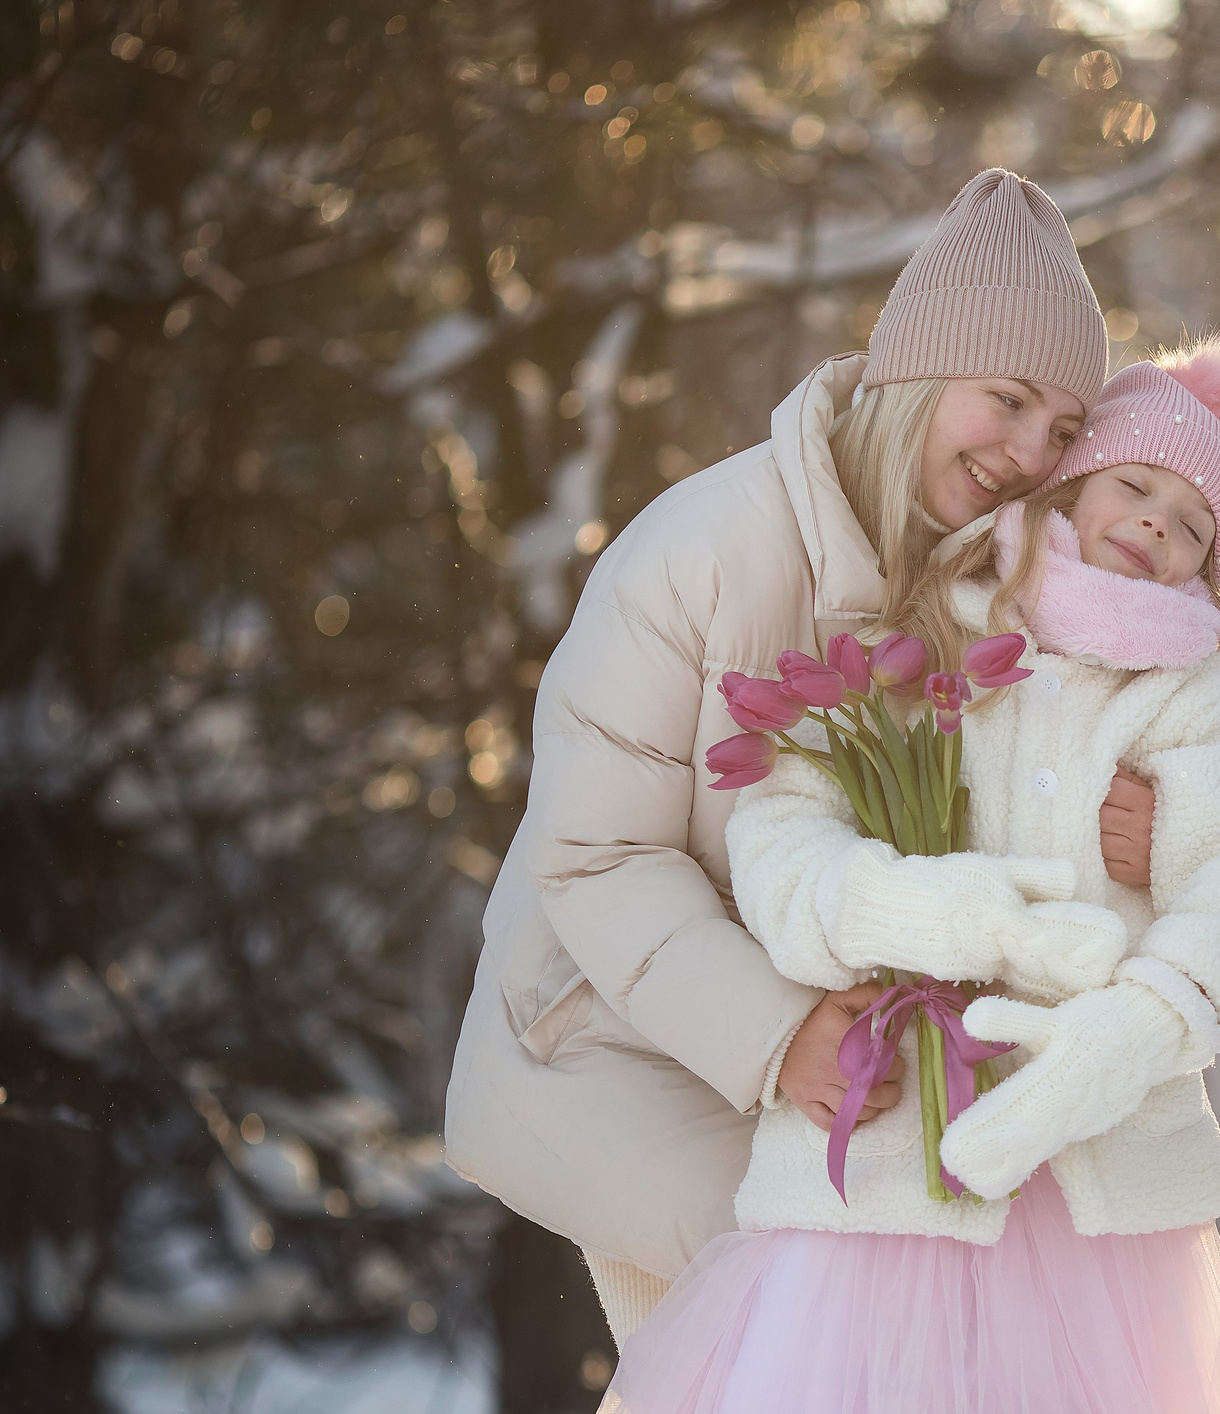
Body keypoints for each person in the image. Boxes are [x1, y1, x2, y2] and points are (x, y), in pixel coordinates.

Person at [559, 340, 1220, 1414]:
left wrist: (1140, 1014)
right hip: (893, 1130)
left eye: (1192, 522)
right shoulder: (927, 629)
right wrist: (942, 917)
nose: (1154, 525)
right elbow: (784, 844)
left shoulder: (1192, 694)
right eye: (1136, 487)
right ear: (1076, 483)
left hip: (1090, 1182)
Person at [443, 168, 1161, 1323]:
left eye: (1066, 430)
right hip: (618, 1041)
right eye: (1007, 399)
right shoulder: (703, 546)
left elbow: (1008, 821)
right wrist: (777, 1037)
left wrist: (1125, 833)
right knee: (821, 1372)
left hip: (855, 1070)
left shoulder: (991, 586)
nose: (1031, 451)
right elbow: (595, 857)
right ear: (917, 371)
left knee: (965, 1354)